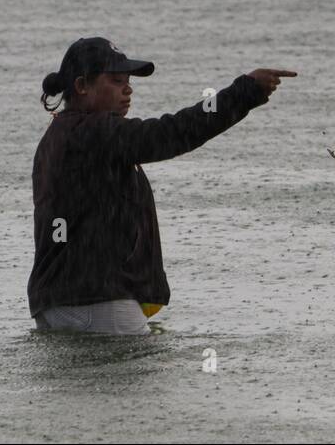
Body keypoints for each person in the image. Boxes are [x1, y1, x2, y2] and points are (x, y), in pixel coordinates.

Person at [27, 36, 295, 334]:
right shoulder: (94, 132)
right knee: (144, 379)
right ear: (81, 86)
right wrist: (244, 92)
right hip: (100, 301)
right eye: (115, 81)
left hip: (55, 303)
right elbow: (173, 132)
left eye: (128, 81)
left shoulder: (58, 135)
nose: (127, 89)